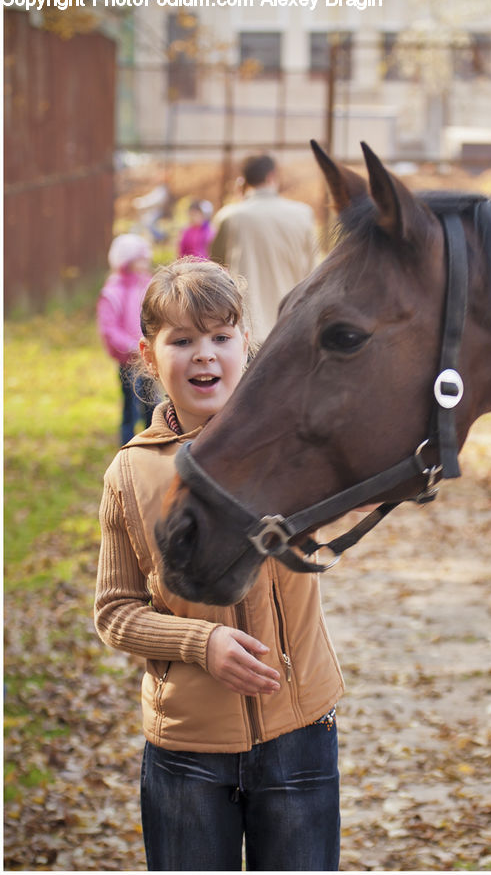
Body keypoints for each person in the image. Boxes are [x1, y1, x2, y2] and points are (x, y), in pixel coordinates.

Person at [94, 257, 343, 871]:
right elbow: (114, 612)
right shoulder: (130, 473)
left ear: (245, 344)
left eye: (221, 337)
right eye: (182, 340)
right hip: (185, 752)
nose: (204, 354)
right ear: (150, 357)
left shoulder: (289, 443)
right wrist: (200, 642)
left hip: (300, 736)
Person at [210, 153, 318, 341]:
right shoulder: (303, 214)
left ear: (243, 180)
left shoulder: (229, 217)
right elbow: (313, 271)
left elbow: (217, 267)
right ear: (272, 176)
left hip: (245, 329)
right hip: (291, 324)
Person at [97, 233, 156, 445]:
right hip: (129, 362)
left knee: (154, 406)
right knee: (130, 407)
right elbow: (109, 330)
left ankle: (154, 444)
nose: (146, 262)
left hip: (150, 360)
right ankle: (128, 447)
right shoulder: (114, 291)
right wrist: (132, 346)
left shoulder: (149, 286)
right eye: (140, 258)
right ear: (127, 260)